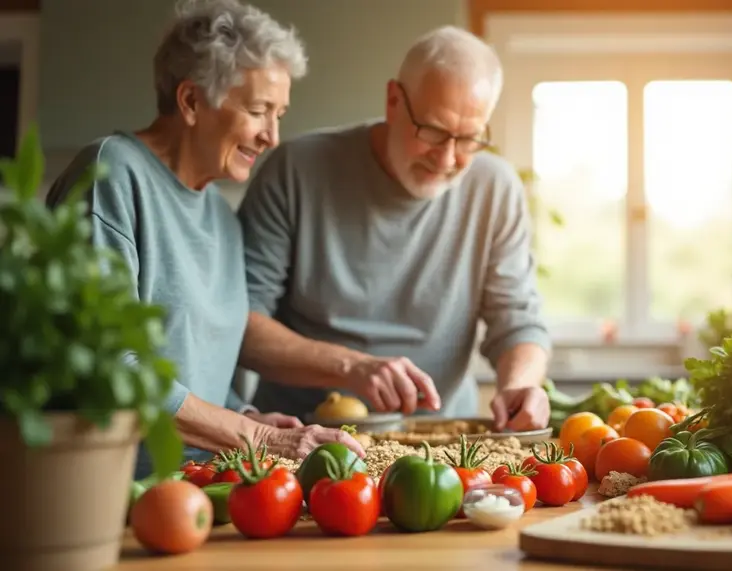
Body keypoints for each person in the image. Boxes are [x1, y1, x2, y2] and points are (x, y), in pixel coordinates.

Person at [45, 0, 363, 479]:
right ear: (191, 101)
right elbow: (109, 362)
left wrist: (244, 414)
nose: (273, 137)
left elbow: (201, 369)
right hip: (110, 491)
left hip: (203, 487)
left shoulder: (221, 215)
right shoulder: (111, 174)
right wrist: (261, 437)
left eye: (280, 114)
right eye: (258, 111)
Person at [236, 25, 552, 432]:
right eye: (433, 132)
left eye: (470, 138)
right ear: (393, 101)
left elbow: (518, 319)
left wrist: (521, 385)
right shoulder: (296, 170)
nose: (447, 159)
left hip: (442, 436)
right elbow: (241, 322)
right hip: (303, 435)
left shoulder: (496, 187)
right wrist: (350, 367)